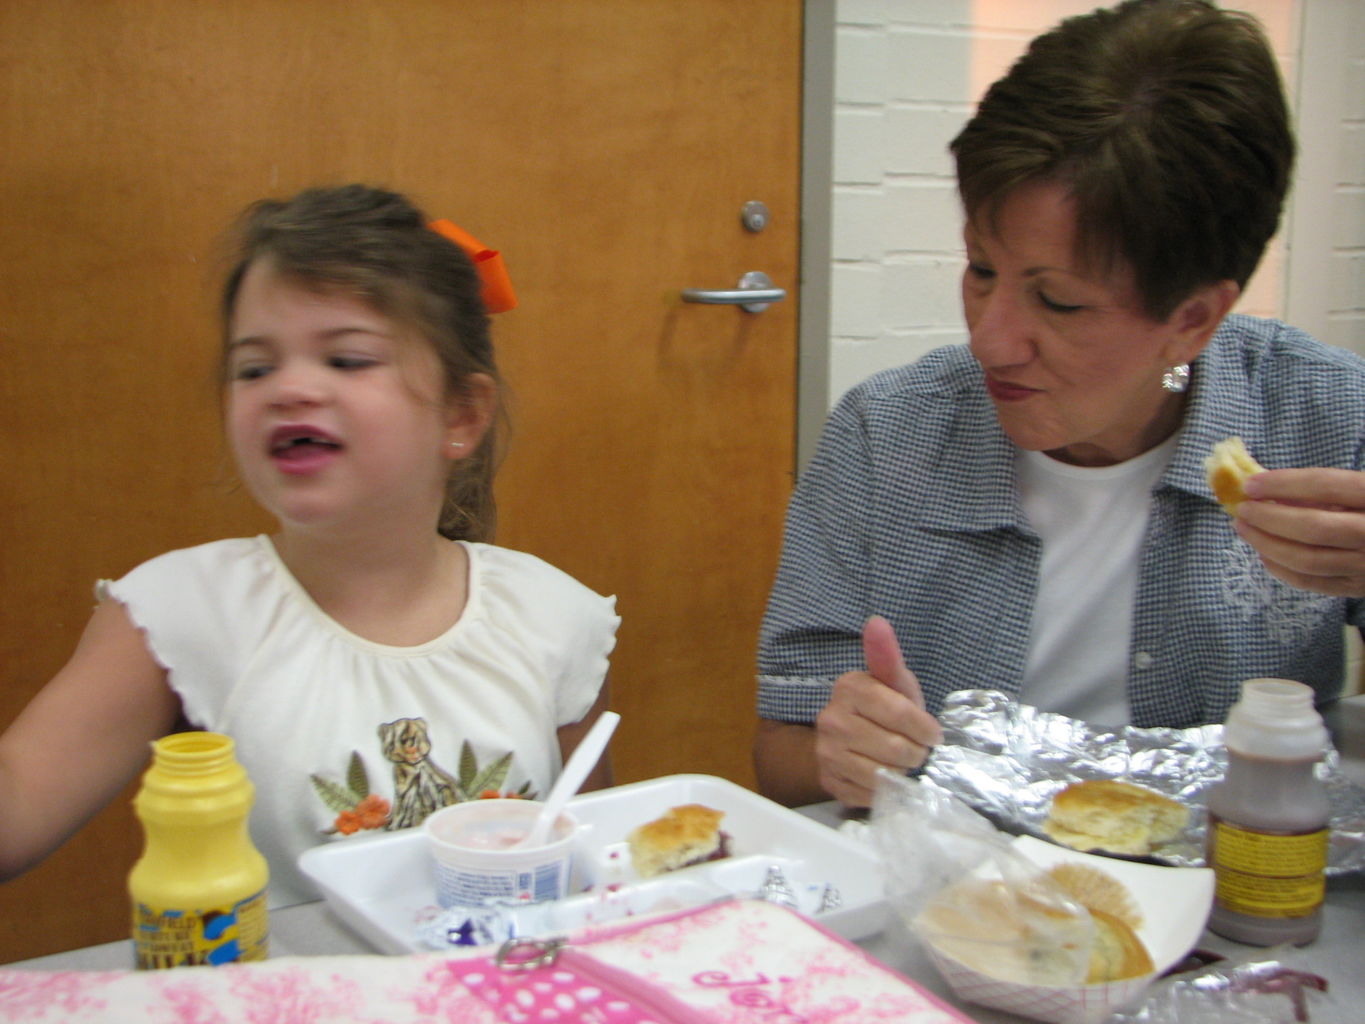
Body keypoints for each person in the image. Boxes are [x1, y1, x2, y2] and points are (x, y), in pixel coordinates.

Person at [754, 0, 1365, 809]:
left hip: (1236, 900)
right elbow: (783, 748)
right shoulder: (886, 435)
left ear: (1192, 320)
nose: (991, 341)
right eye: (980, 270)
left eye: (1059, 302)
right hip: (963, 903)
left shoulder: (1324, 420)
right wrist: (843, 753)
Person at [0, 184, 620, 904]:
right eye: (255, 368)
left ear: (461, 413)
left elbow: (586, 868)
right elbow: (19, 802)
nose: (289, 388)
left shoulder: (554, 617)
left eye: (347, 360)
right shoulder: (177, 614)